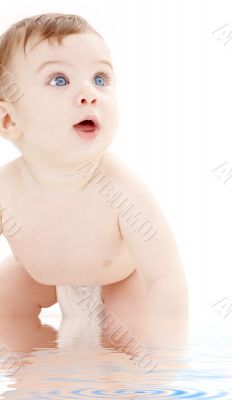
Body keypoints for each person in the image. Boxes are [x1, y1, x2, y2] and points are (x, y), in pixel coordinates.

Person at [0, 13, 188, 341]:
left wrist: (168, 355)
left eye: (100, 79)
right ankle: (31, 366)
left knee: (135, 332)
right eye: (59, 80)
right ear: (8, 120)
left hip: (117, 282)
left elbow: (166, 277)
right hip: (40, 278)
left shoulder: (120, 187)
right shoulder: (6, 189)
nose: (89, 94)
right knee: (5, 302)